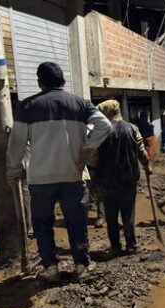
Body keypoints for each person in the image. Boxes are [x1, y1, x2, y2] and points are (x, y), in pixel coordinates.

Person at [7, 62, 112, 282]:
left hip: (40, 178)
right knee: (77, 222)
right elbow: (105, 126)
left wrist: (14, 169)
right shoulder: (80, 104)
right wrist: (87, 149)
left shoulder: (27, 107)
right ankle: (81, 266)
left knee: (43, 223)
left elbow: (16, 143)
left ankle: (51, 268)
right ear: (63, 82)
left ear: (39, 83)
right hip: (72, 175)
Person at [93, 100, 150, 255]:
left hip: (106, 182)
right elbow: (142, 152)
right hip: (127, 180)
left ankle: (115, 246)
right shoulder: (132, 128)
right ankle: (131, 245)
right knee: (128, 213)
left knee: (111, 216)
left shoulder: (101, 130)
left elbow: (94, 157)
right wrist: (146, 165)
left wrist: (93, 173)